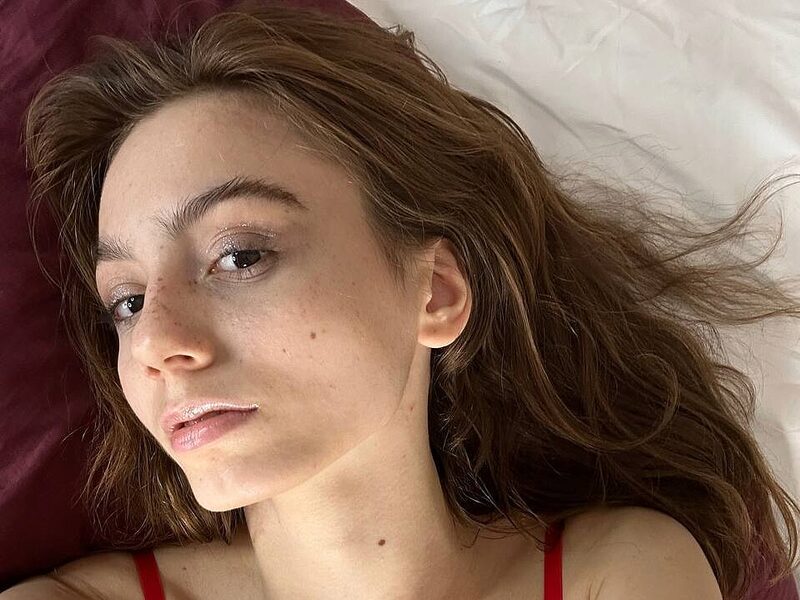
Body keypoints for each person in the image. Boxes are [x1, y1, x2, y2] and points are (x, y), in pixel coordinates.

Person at [8, 1, 800, 598]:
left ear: (437, 293)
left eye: (240, 256)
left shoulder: (621, 573)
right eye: (127, 301)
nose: (154, 343)